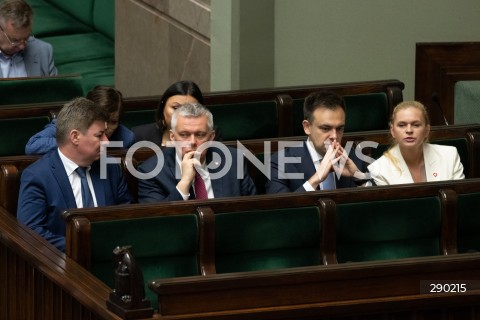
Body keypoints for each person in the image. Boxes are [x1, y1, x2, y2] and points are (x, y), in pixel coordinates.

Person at [17, 97, 132, 252]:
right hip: (62, 264)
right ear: (75, 137)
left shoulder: (110, 167)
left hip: (111, 258)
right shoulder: (38, 176)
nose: (106, 141)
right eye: (99, 135)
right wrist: (83, 246)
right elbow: (30, 233)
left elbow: (126, 215)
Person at [137, 102, 256, 202]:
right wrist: (184, 183)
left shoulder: (234, 159)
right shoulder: (151, 172)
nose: (192, 142)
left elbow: (251, 210)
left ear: (211, 137)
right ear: (172, 137)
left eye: (200, 135)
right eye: (184, 135)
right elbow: (159, 223)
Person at [265, 90, 370, 194]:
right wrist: (315, 180)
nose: (334, 136)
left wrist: (359, 178)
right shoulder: (281, 162)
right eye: (325, 128)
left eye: (339, 129)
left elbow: (376, 206)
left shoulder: (354, 158)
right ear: (307, 127)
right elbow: (281, 209)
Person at [367, 101, 464, 185]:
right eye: (402, 125)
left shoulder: (449, 155)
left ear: (427, 130)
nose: (409, 130)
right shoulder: (378, 169)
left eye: (416, 125)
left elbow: (459, 198)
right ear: (392, 131)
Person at [25, 85, 135, 155]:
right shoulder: (67, 124)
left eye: (113, 122)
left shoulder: (126, 138)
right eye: (102, 119)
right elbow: (33, 146)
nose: (106, 127)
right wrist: (76, 143)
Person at [132, 80, 222, 146]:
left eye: (190, 109)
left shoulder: (210, 133)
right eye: (176, 108)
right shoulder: (140, 135)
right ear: (163, 108)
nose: (182, 114)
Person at [0, 0, 57, 77]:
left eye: (26, 38)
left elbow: (54, 88)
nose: (22, 46)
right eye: (15, 40)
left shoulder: (44, 51)